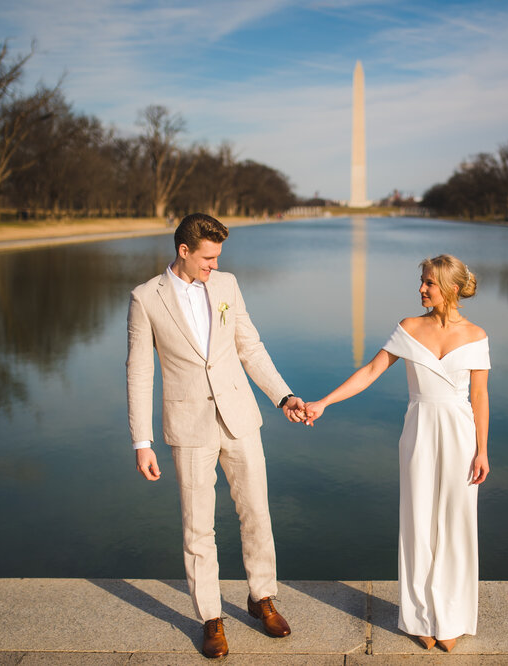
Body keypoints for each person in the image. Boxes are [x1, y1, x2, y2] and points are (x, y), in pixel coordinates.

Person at [126, 213, 306, 659]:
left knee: (257, 513)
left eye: (218, 257)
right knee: (197, 527)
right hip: (188, 428)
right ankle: (211, 617)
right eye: (207, 257)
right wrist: (141, 442)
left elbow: (250, 346)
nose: (213, 265)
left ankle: (261, 597)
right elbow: (139, 372)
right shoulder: (145, 298)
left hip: (241, 417)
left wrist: (284, 397)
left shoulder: (226, 285)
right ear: (183, 251)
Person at [305, 254, 490, 652]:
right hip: (420, 430)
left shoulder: (476, 336)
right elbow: (371, 372)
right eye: (422, 282)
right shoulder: (409, 328)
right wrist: (324, 403)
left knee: (457, 524)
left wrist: (483, 452)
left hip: (461, 435)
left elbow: (480, 397)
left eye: (429, 283)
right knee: (419, 521)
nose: (421, 289)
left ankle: (452, 617)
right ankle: (421, 616)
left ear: (453, 288)